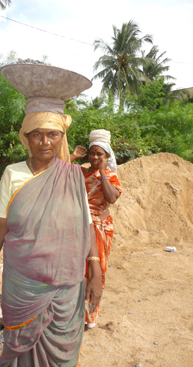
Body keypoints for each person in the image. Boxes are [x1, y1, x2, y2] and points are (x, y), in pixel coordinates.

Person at [0, 84, 103, 367]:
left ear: (61, 137)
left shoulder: (72, 176)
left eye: (53, 134)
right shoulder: (13, 174)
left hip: (66, 288)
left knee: (59, 362)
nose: (45, 141)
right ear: (26, 138)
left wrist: (95, 272)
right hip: (23, 287)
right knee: (19, 358)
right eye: (37, 134)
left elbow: (86, 226)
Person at [71, 129, 122, 329]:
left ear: (107, 156)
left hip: (100, 230)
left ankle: (90, 316)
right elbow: (55, 168)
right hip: (80, 228)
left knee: (96, 270)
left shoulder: (110, 176)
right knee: (78, 271)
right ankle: (75, 312)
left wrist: (102, 174)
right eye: (92, 153)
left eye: (99, 154)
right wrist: (74, 156)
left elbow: (111, 198)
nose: (94, 157)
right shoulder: (82, 172)